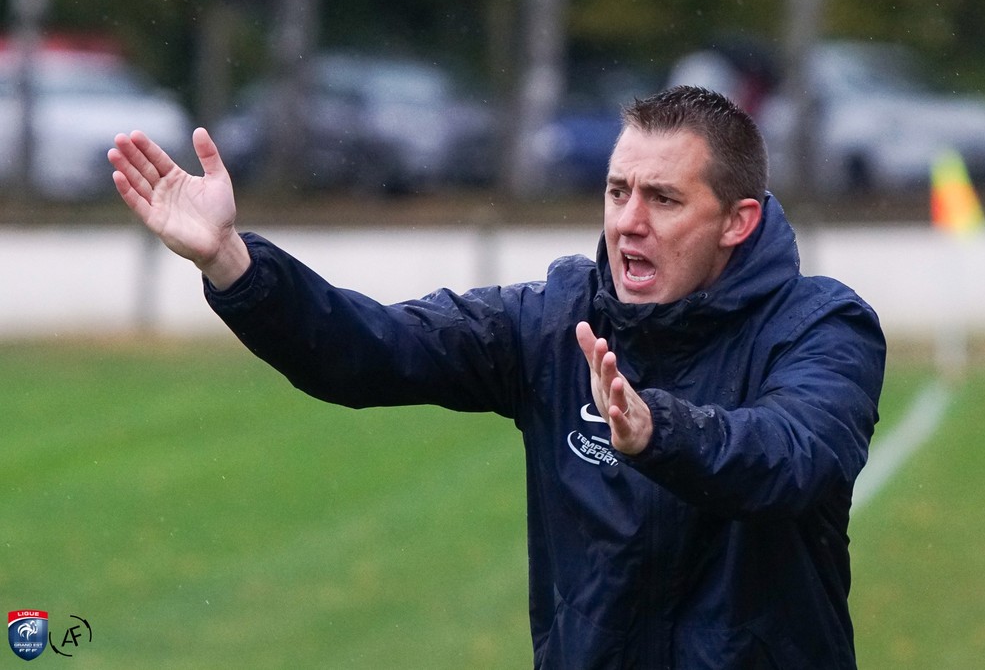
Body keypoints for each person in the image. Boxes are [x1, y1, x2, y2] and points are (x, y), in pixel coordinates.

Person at [108, 86, 885, 669]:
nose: (628, 221)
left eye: (663, 198)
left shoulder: (820, 325)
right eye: (618, 191)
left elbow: (794, 455)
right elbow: (370, 347)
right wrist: (233, 263)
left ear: (737, 221)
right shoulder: (554, 321)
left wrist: (660, 430)